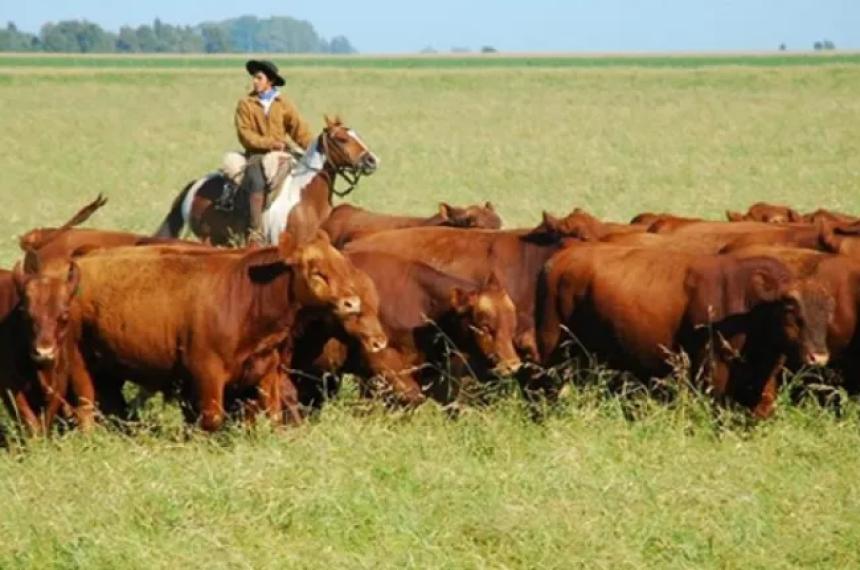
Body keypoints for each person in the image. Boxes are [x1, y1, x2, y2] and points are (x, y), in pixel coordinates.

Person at [234, 59, 313, 241]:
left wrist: (313, 150)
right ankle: (255, 231)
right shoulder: (246, 104)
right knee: (256, 179)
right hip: (256, 154)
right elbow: (245, 135)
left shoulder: (284, 103)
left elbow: (298, 130)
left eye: (258, 78)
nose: (254, 81)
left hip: (283, 153)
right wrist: (270, 144)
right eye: (254, 77)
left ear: (270, 81)